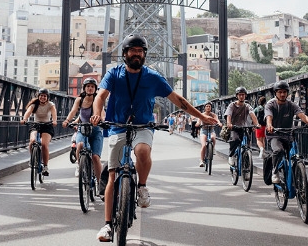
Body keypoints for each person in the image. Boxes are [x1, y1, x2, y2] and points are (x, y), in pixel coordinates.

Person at [90, 34, 216, 242]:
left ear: (144, 54)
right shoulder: (114, 74)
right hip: (118, 126)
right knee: (113, 175)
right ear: (125, 54)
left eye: (140, 51)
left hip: (143, 125)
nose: (137, 54)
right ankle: (107, 225)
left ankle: (142, 187)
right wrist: (97, 114)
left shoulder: (152, 76)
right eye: (133, 50)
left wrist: (201, 116)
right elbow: (100, 96)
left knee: (141, 151)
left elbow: (178, 99)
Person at [264, 81, 308, 184]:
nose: (283, 94)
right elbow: (268, 116)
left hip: (288, 135)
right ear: (275, 93)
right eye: (280, 92)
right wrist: (269, 125)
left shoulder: (291, 105)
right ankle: (275, 171)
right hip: (274, 134)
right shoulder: (270, 104)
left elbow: (302, 116)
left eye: (285, 92)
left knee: (294, 154)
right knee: (278, 151)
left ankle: (296, 173)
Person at [62, 77, 104, 191]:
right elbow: (73, 111)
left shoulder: (97, 99)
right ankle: (79, 165)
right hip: (83, 128)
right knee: (79, 145)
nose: (90, 88)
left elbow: (101, 112)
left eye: (92, 87)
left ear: (95, 89)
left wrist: (102, 121)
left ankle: (100, 185)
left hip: (95, 130)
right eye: (88, 86)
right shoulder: (79, 100)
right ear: (84, 88)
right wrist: (67, 120)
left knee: (95, 157)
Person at [20, 88, 57, 176]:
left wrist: (54, 120)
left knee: (44, 145)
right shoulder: (34, 104)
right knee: (32, 141)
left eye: (45, 96)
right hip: (35, 124)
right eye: (41, 96)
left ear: (47, 97)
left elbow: (54, 113)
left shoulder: (50, 104)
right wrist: (24, 119)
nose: (43, 97)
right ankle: (32, 159)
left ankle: (45, 166)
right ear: (38, 96)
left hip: (47, 125)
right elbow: (28, 112)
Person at [224, 86, 260, 166]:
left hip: (244, 127)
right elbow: (228, 115)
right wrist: (229, 124)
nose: (241, 96)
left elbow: (252, 114)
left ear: (245, 96)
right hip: (234, 127)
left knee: (247, 146)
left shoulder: (247, 106)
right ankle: (231, 155)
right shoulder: (232, 105)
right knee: (235, 139)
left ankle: (246, 167)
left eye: (243, 95)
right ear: (237, 96)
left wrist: (256, 124)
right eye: (239, 95)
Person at [198, 103, 222, 167]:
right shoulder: (202, 115)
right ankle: (201, 160)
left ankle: (213, 148)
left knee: (213, 137)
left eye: (209, 106)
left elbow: (217, 120)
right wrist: (198, 124)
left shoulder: (213, 115)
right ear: (205, 108)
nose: (208, 107)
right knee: (203, 146)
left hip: (211, 130)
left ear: (211, 107)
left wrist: (219, 123)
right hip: (203, 130)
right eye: (207, 106)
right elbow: (199, 121)